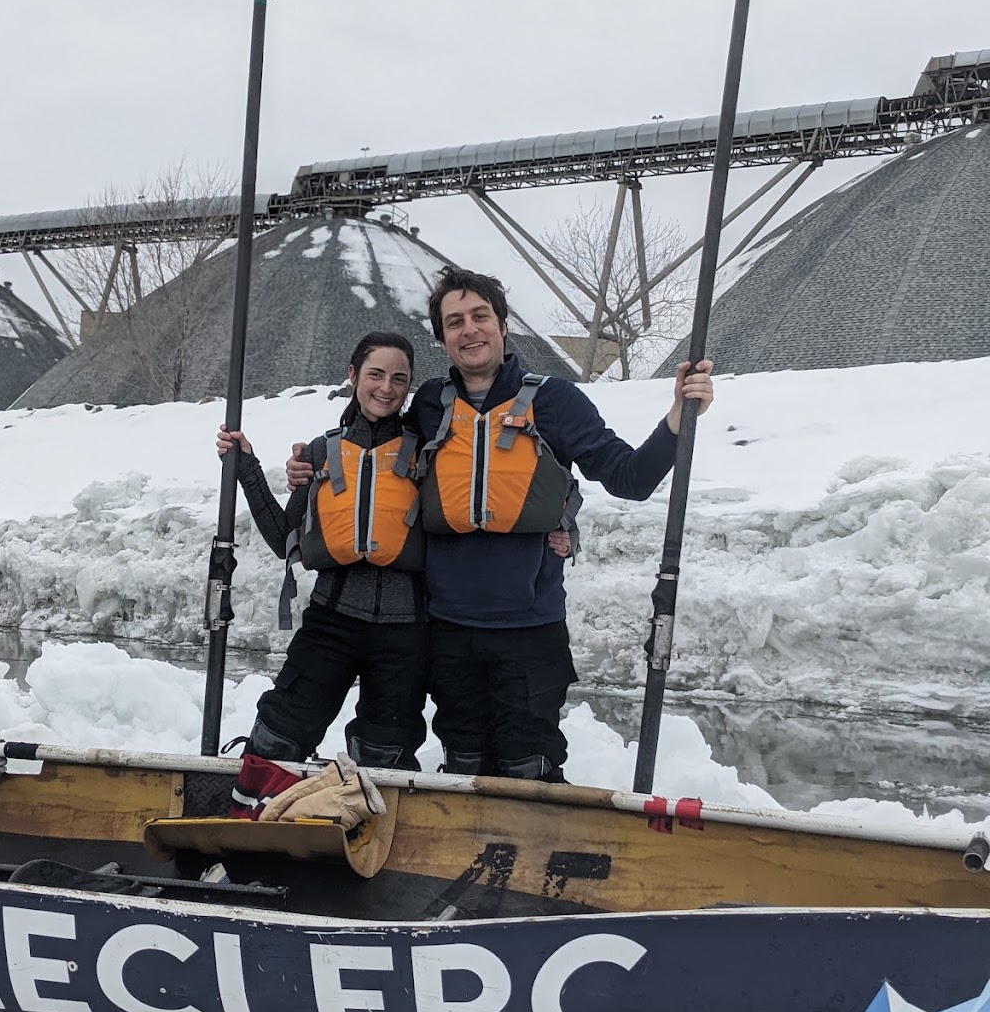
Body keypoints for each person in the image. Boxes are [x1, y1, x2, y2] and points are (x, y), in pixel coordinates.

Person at [288, 269, 714, 784]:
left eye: (479, 316)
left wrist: (677, 418)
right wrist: (307, 467)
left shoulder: (555, 400)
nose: (469, 330)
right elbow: (370, 450)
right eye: (454, 322)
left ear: (503, 324)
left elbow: (630, 478)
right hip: (448, 629)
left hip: (529, 629)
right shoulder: (426, 405)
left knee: (526, 769)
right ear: (442, 338)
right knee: (464, 766)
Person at [217, 331, 429, 772]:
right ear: (353, 375)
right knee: (276, 738)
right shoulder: (320, 452)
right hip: (331, 622)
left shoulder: (426, 453)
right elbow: (284, 539)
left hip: (405, 633)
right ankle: (257, 826)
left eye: (398, 378)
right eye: (375, 374)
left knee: (383, 758)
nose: (386, 388)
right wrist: (248, 469)